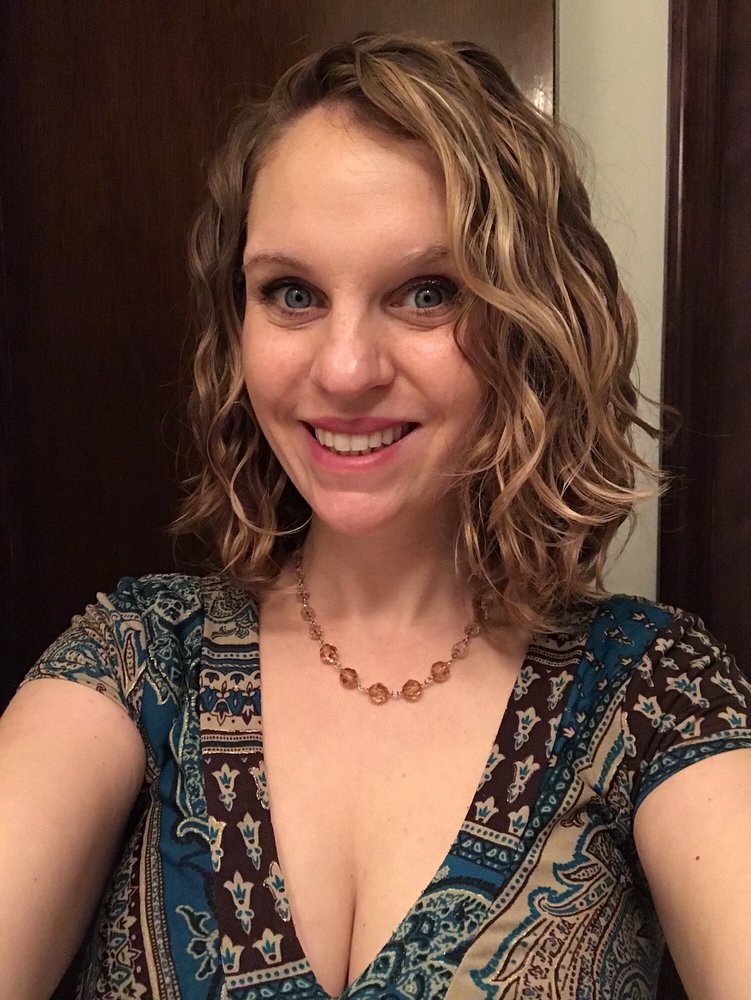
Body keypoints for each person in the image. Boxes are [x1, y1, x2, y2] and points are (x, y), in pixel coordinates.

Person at [1, 33, 750, 1000]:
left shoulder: (653, 690)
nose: (346, 369)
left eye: (427, 293)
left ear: (530, 322)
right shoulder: (136, 657)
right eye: (293, 294)